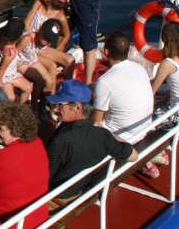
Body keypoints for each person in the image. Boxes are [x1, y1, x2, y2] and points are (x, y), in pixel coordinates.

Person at [46, 81, 138, 210]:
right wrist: (102, 129)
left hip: (55, 198)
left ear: (77, 107)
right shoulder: (102, 136)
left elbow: (43, 179)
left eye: (59, 105)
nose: (55, 109)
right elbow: (133, 155)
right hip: (75, 191)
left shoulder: (62, 141)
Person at [91, 32, 153, 147]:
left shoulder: (105, 81)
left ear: (106, 52)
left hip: (123, 137)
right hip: (144, 129)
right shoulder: (140, 68)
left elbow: (96, 122)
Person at [0, 18, 58, 106]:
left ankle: (39, 106)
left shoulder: (42, 42)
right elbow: (14, 55)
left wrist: (39, 50)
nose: (46, 41)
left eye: (49, 39)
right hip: (15, 65)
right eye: (45, 36)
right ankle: (31, 107)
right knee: (38, 80)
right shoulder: (18, 46)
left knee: (41, 83)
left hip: (25, 63)